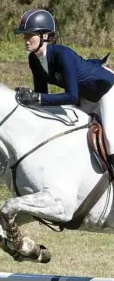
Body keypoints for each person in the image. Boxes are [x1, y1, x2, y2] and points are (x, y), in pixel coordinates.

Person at [14, 9, 114, 177]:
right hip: (84, 97)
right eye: (24, 36)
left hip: (106, 91)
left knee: (110, 141)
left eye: (29, 35)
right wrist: (31, 98)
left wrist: (37, 97)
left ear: (45, 36)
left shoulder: (63, 54)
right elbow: (42, 94)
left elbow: (71, 96)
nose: (25, 40)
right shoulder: (34, 60)